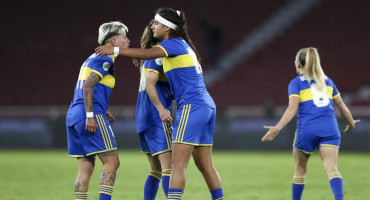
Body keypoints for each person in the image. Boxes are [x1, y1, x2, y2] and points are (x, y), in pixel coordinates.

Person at [95, 8, 225, 200]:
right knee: (205, 165)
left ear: (167, 27)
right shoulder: (184, 45)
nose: (152, 26)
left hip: (191, 106)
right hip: (206, 105)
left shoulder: (171, 44)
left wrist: (115, 50)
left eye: (156, 23)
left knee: (176, 164)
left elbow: (148, 55)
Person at [262, 47, 360, 200]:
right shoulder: (327, 81)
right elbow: (341, 105)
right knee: (332, 169)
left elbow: (292, 108)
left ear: (298, 64)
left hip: (307, 130)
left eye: (295, 60)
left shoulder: (296, 83)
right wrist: (351, 122)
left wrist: (277, 128)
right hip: (330, 129)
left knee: (300, 170)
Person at [66, 21, 130, 200]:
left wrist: (102, 108)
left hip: (73, 114)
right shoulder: (105, 59)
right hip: (88, 114)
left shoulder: (91, 58)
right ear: (114, 42)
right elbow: (88, 85)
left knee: (85, 166)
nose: (129, 40)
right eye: (124, 37)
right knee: (112, 162)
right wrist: (90, 115)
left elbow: (87, 88)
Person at [136, 20, 173, 199]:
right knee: (168, 166)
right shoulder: (159, 55)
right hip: (156, 115)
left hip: (142, 116)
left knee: (155, 170)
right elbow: (152, 85)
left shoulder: (148, 58)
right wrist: (160, 108)